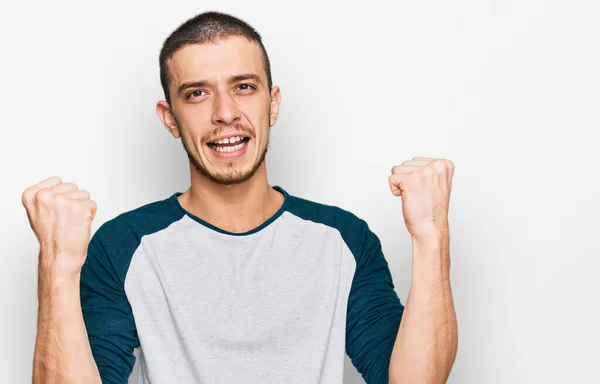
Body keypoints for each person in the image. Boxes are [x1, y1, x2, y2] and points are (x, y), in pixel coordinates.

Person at [22, 11, 458, 384]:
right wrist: (57, 265)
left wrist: (432, 235)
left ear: (273, 104)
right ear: (170, 119)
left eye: (244, 87)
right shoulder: (123, 245)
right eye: (197, 93)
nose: (225, 113)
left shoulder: (344, 238)